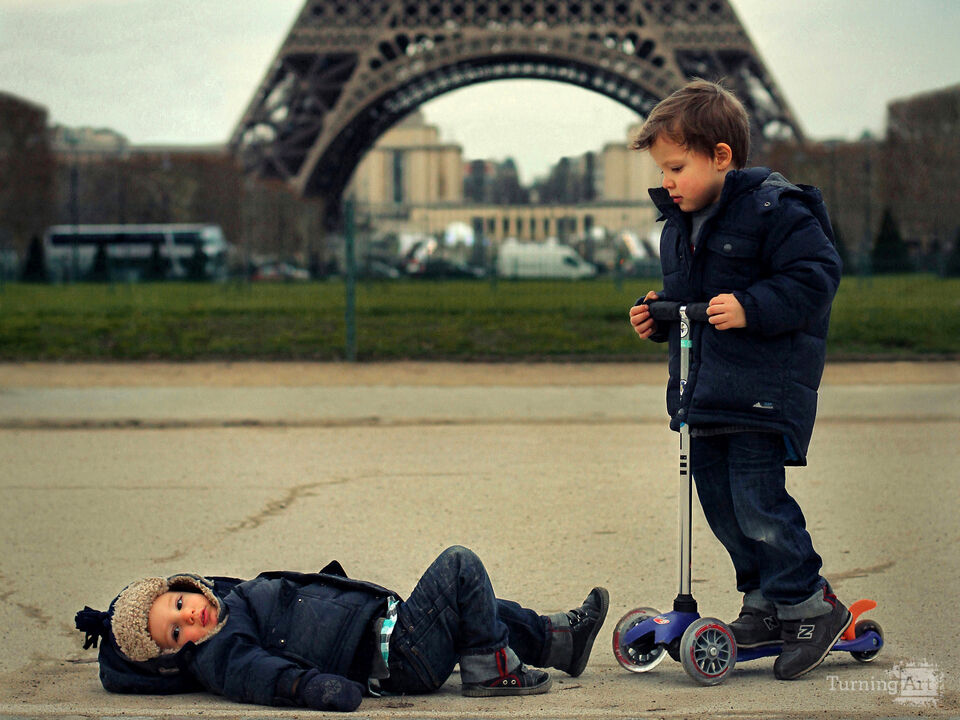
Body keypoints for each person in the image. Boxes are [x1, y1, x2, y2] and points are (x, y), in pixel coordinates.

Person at [627, 79, 846, 681]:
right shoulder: (680, 222)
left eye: (676, 166)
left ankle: (809, 602)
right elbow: (693, 305)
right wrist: (659, 317)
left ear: (721, 156)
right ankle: (764, 601)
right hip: (705, 392)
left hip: (760, 389)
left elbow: (816, 275)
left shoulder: (776, 208)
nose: (666, 180)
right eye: (662, 170)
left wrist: (752, 305)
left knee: (757, 504)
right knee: (722, 508)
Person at [75, 545, 608, 711]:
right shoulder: (220, 650)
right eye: (175, 632)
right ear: (173, 656)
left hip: (386, 631)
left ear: (186, 586)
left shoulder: (230, 599)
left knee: (476, 606)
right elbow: (259, 673)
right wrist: (309, 687)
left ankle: (560, 641)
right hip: (398, 659)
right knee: (460, 568)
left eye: (179, 603)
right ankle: (492, 672)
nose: (189, 617)